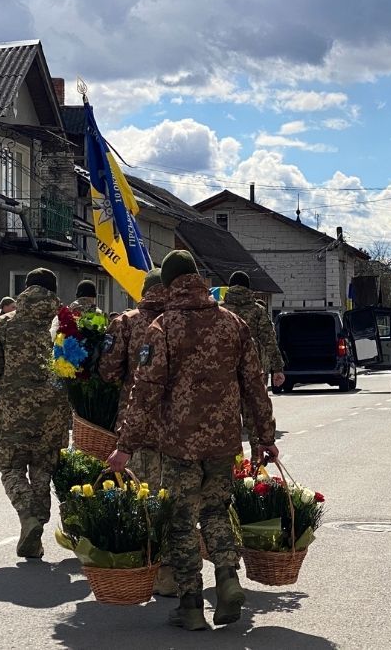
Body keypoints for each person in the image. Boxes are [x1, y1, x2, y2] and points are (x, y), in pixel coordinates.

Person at [107, 250, 277, 631]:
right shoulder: (232, 323)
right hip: (223, 441)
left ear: (168, 285)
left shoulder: (163, 327)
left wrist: (126, 445)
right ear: (198, 279)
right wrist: (264, 437)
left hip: (178, 443)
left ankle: (190, 605)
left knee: (181, 521)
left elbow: (146, 390)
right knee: (216, 510)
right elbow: (254, 385)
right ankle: (228, 577)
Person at [0, 268, 71, 560]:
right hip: (53, 411)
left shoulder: (5, 324)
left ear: (27, 288)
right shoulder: (66, 325)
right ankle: (38, 525)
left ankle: (27, 516)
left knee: (11, 469)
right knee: (44, 468)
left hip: (13, 411)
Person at [98, 269, 173, 594]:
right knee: (173, 501)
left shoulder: (125, 322)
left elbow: (108, 370)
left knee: (142, 500)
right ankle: (172, 573)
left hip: (137, 425)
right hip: (179, 428)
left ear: (143, 291)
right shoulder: (181, 322)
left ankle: (145, 570)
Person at [220, 271, 285, 390]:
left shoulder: (219, 310)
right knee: (256, 405)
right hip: (254, 368)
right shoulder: (258, 311)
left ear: (229, 287)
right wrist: (277, 368)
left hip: (225, 368)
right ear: (248, 287)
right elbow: (269, 341)